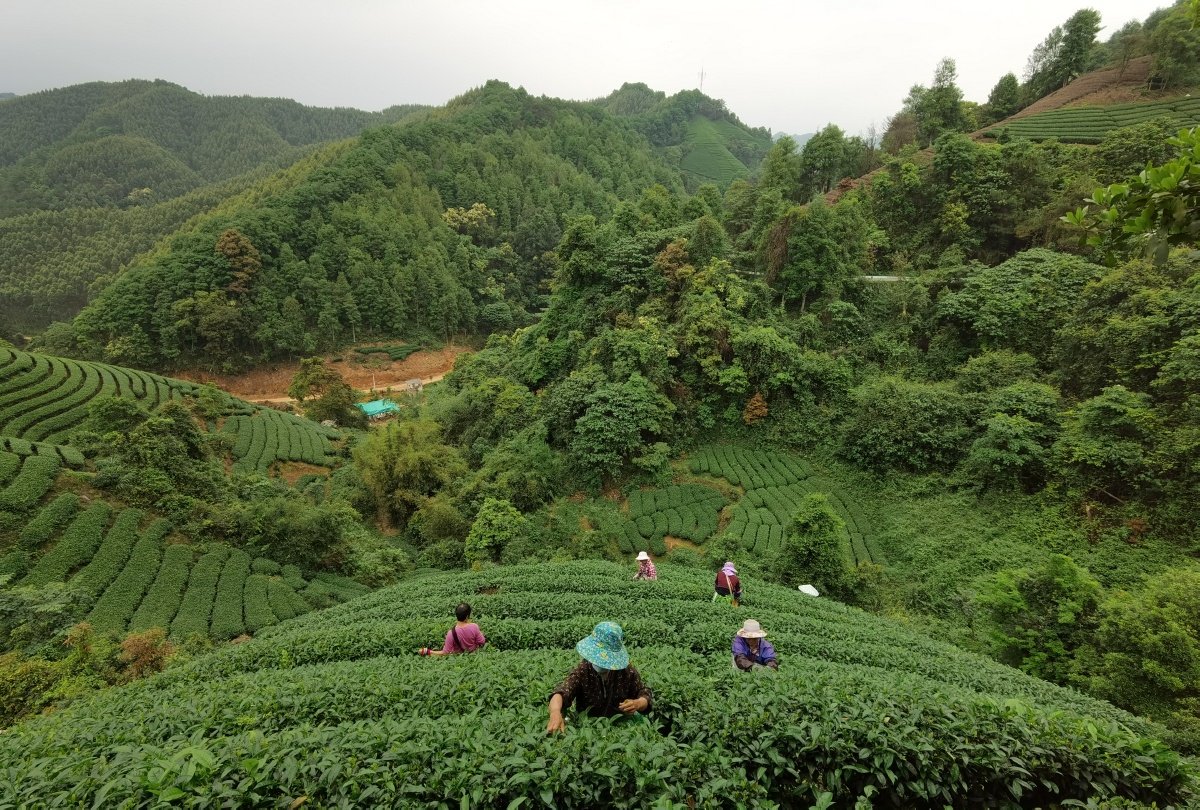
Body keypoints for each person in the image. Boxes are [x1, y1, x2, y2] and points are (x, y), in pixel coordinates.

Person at [546, 621, 652, 733]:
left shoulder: (626, 671)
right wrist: (555, 713)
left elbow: (644, 693)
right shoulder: (583, 670)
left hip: (620, 725)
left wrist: (637, 704)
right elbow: (561, 693)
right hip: (588, 725)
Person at [419, 603, 487, 656]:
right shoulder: (474, 626)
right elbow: (482, 642)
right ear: (467, 616)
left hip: (459, 659)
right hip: (475, 655)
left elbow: (445, 653)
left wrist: (428, 651)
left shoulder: (451, 633)